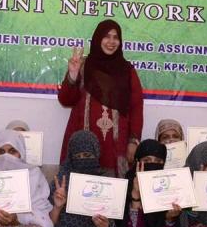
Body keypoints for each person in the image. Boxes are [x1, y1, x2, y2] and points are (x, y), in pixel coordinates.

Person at [58, 20, 144, 177]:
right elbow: (66, 100)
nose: (111, 42)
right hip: (84, 146)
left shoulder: (127, 70)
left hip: (116, 147)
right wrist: (73, 74)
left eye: (115, 37)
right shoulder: (83, 66)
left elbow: (136, 107)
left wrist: (134, 141)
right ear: (98, 39)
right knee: (80, 192)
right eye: (106, 36)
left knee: (114, 194)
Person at [51, 130, 121, 227]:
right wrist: (58, 206)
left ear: (96, 155)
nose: (83, 160)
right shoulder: (60, 182)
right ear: (71, 157)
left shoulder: (106, 184)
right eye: (78, 156)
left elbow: (112, 225)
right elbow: (50, 224)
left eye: (88, 156)